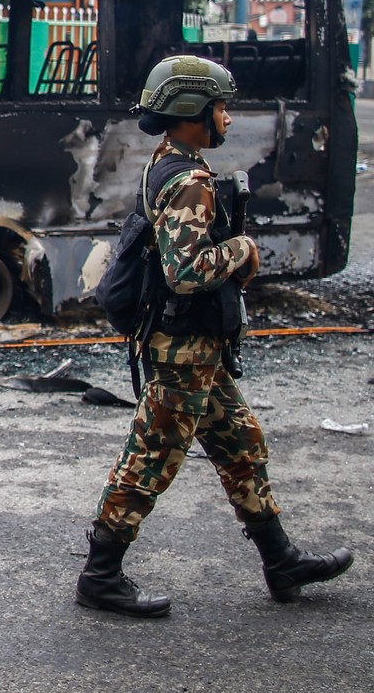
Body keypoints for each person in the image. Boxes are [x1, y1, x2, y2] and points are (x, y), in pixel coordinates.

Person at [76, 55, 353, 616]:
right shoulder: (189, 182)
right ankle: (100, 576)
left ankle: (281, 560)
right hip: (181, 353)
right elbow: (185, 271)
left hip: (198, 352)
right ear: (191, 111)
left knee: (242, 445)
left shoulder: (171, 162)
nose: (226, 117)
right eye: (220, 107)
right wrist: (243, 250)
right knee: (150, 459)